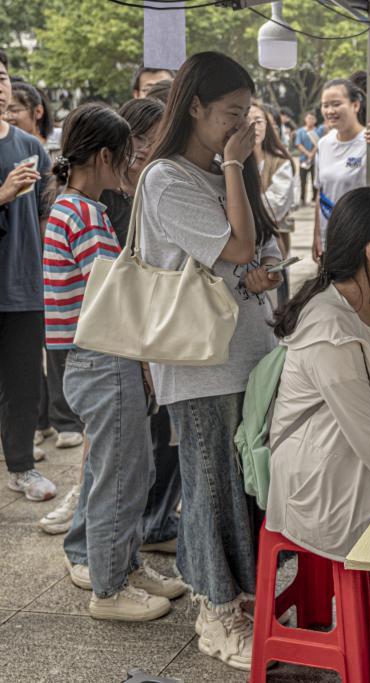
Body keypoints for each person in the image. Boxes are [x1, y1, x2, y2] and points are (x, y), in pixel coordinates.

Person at [138, 51, 284, 670]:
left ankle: (246, 602)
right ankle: (216, 613)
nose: (240, 126)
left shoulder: (230, 172)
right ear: (194, 106)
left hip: (250, 351)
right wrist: (233, 165)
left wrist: (262, 269)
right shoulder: (166, 178)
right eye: (230, 113)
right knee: (212, 487)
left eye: (246, 114)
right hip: (200, 362)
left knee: (247, 484)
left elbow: (264, 247)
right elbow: (241, 247)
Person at [45, 104, 185, 621]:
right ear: (105, 157)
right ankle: (109, 587)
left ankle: (124, 566)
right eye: (127, 156)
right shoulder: (83, 214)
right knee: (120, 477)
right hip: (104, 360)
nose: (132, 165)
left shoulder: (76, 207)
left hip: (96, 360)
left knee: (130, 468)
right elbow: (114, 297)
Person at [0, 48, 58, 502]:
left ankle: (21, 466)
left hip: (23, 283)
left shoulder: (30, 146)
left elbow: (45, 214)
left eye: (1, 77)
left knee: (23, 383)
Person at [312, 78, 370, 264]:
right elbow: (321, 193)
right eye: (325, 105)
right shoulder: (324, 144)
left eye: (336, 104)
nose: (329, 111)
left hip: (363, 242)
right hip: (331, 241)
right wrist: (317, 236)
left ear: (355, 105)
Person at [249, 101, 297, 303]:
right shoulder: (230, 161)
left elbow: (274, 207)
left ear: (267, 125)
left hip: (272, 248)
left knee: (275, 304)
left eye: (258, 121)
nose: (253, 126)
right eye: (247, 120)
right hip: (239, 253)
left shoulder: (280, 162)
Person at [293, 112, 322, 206]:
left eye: (312, 118)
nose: (310, 120)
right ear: (305, 119)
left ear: (315, 120)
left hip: (315, 160)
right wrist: (307, 153)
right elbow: (298, 144)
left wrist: (312, 154)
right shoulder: (300, 131)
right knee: (302, 180)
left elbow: (319, 143)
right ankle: (302, 199)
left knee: (315, 180)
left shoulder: (318, 131)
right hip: (303, 160)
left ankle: (314, 199)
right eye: (309, 118)